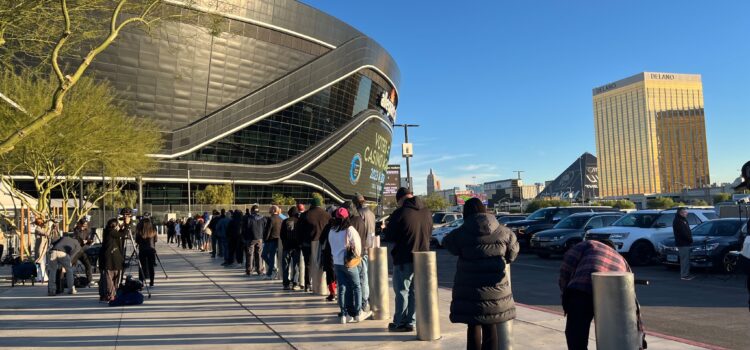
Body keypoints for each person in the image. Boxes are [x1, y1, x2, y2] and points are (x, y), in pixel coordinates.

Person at [443, 198, 518, 350]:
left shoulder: (461, 233)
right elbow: (512, 255)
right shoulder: (504, 232)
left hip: (470, 289)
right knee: (491, 327)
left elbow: (448, 244)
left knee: (473, 327)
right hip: (495, 289)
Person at [559, 239, 629, 350]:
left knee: (576, 335)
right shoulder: (622, 260)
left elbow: (567, 263)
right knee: (609, 338)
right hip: (611, 298)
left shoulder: (590, 244)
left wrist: (565, 292)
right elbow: (629, 292)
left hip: (582, 290)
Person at [384, 187, 432, 332]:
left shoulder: (400, 213)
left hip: (404, 257)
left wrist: (385, 228)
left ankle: (399, 322)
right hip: (423, 258)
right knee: (414, 291)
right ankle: (411, 321)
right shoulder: (427, 212)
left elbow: (390, 236)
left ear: (400, 199)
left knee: (402, 291)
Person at [327, 207, 372, 324]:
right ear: (347, 217)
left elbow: (331, 245)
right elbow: (357, 247)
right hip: (349, 263)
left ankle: (344, 313)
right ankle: (358, 313)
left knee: (342, 288)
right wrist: (356, 257)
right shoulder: (350, 230)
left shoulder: (332, 230)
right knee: (356, 286)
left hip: (337, 263)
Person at [297, 196, 331, 292]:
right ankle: (322, 285)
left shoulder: (305, 215)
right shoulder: (327, 215)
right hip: (323, 243)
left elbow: (299, 230)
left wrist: (300, 242)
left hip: (307, 242)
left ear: (311, 205)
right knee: (321, 264)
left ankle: (307, 284)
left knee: (307, 264)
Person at [354, 194, 376, 311]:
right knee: (367, 275)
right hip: (370, 247)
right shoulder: (371, 213)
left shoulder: (359, 213)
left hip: (362, 248)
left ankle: (364, 301)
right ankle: (368, 299)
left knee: (362, 277)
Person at [99, 218, 124, 302]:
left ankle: (108, 294)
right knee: (110, 278)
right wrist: (127, 225)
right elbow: (123, 234)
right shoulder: (111, 231)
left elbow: (119, 234)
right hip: (110, 259)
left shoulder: (108, 231)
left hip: (110, 258)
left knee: (110, 277)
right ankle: (111, 295)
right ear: (114, 225)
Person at [281, 206, 302, 290]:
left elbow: (282, 234)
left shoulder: (285, 221)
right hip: (296, 247)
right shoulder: (299, 222)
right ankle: (295, 283)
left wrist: (284, 243)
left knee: (285, 265)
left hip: (286, 246)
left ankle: (286, 284)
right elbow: (301, 234)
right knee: (296, 265)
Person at [673, 207, 694, 280]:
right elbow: (683, 233)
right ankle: (684, 275)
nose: (687, 213)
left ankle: (686, 274)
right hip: (683, 243)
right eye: (685, 212)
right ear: (681, 213)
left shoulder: (683, 220)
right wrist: (690, 239)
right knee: (684, 260)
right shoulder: (678, 221)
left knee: (686, 259)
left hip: (685, 243)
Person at [71, 219, 94, 287]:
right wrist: (82, 241)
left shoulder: (87, 230)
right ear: (79, 224)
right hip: (76, 251)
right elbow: (75, 239)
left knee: (88, 265)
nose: (84, 227)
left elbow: (89, 239)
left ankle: (89, 280)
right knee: (71, 265)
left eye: (86, 226)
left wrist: (89, 241)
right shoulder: (76, 230)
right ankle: (69, 280)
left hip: (83, 250)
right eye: (83, 225)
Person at [136, 217, 158, 287]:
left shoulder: (140, 230)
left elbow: (137, 240)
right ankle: (152, 281)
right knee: (151, 266)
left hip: (142, 250)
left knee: (141, 266)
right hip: (151, 249)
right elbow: (156, 239)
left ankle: (141, 281)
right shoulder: (153, 230)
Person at [243, 205, 266, 274]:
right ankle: (259, 269)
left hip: (250, 239)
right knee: (259, 254)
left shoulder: (248, 218)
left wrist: (245, 238)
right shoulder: (263, 218)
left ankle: (249, 270)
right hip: (260, 239)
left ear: (251, 211)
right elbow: (265, 228)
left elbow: (245, 229)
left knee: (250, 254)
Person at [262, 205, 283, 280]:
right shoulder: (281, 219)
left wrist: (265, 239)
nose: (269, 210)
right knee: (271, 257)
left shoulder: (271, 219)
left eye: (270, 209)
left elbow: (268, 230)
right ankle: (273, 269)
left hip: (270, 240)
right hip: (278, 240)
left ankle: (270, 273)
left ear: (274, 210)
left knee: (266, 255)